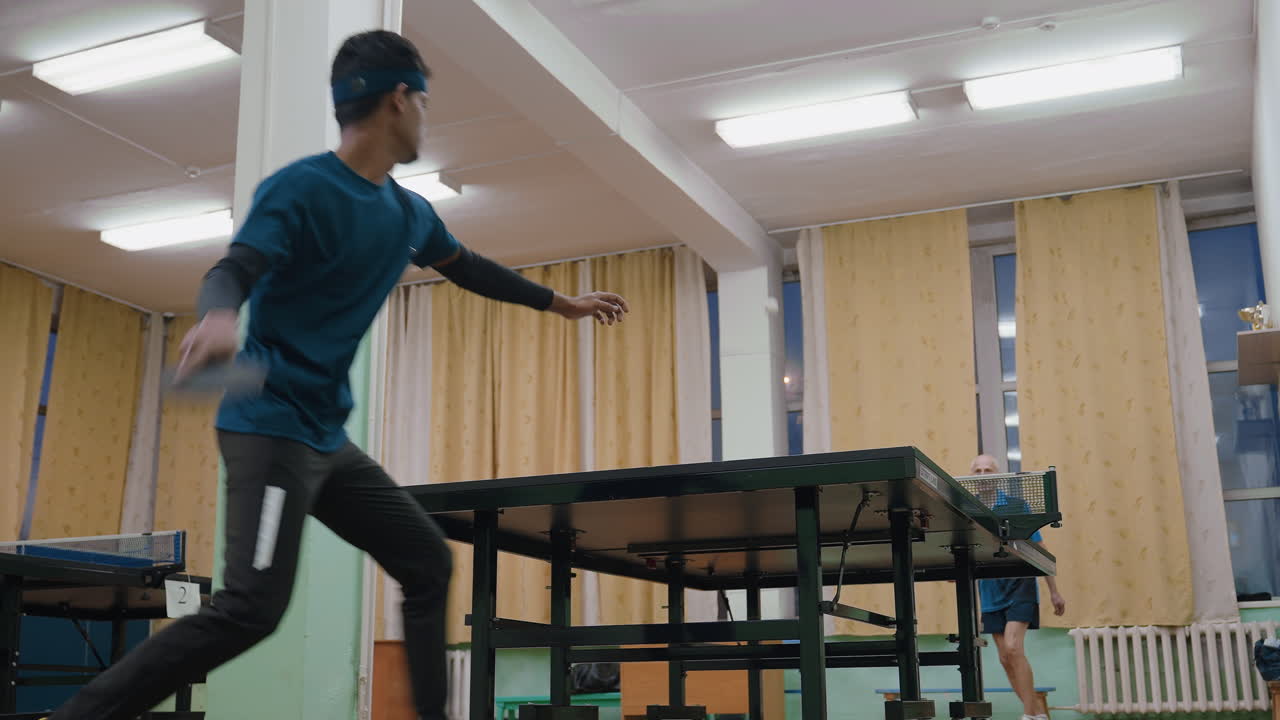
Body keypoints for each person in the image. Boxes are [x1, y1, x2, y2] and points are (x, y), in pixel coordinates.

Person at [47, 30, 629, 720]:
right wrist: (219, 316)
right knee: (251, 608)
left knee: (427, 562)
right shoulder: (301, 189)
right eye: (424, 103)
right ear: (400, 99)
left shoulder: (409, 213)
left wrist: (561, 303)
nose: (425, 117)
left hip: (327, 439)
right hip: (269, 431)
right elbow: (234, 268)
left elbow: (469, 268)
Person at [968, 454, 1066, 720]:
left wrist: (1053, 590)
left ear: (997, 476)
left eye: (988, 470)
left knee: (1013, 647)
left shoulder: (1017, 505)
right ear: (972, 478)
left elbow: (1038, 546)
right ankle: (1038, 714)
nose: (983, 474)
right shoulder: (967, 508)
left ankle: (1028, 714)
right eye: (978, 471)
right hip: (989, 589)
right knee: (1004, 657)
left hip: (1020, 583)